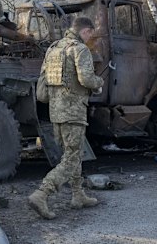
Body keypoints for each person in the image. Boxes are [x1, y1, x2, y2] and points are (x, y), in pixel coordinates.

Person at [28, 16, 104, 220]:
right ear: (85, 31)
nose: (91, 38)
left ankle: (78, 195)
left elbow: (42, 88)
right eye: (91, 34)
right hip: (74, 112)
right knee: (71, 158)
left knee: (72, 154)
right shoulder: (80, 50)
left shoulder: (53, 48)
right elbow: (87, 79)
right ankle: (42, 193)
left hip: (56, 112)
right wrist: (99, 82)